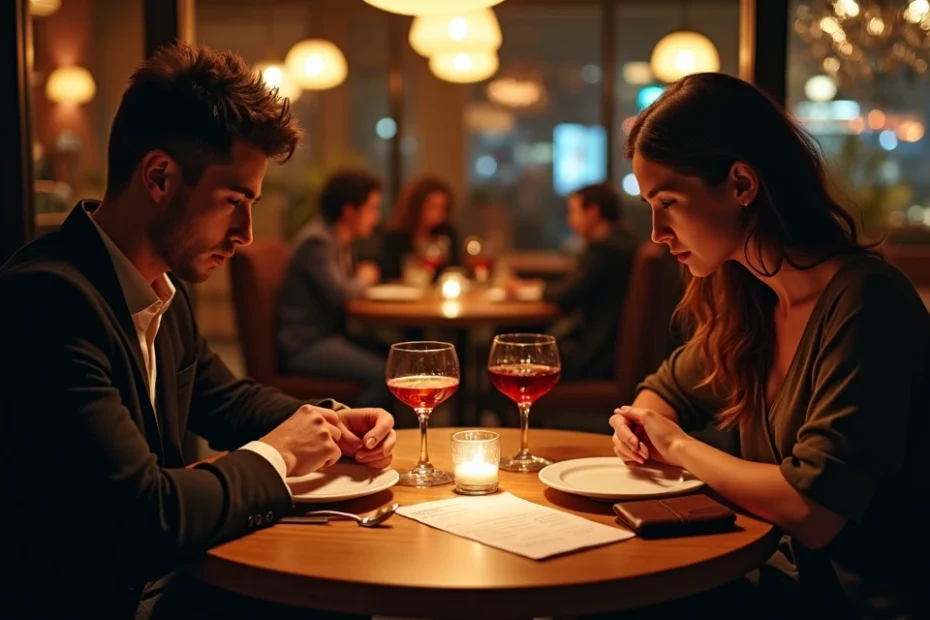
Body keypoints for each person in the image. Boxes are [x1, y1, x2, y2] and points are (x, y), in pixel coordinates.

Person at [0, 43, 395, 620]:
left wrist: (330, 423)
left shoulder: (162, 288)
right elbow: (144, 514)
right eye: (234, 200)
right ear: (159, 177)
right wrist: (278, 455)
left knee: (355, 581)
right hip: (101, 600)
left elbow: (225, 399)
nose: (247, 233)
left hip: (170, 578)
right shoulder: (49, 302)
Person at [609, 73, 929, 619]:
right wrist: (640, 426)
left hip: (863, 602)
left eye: (669, 202)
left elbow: (815, 509)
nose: (658, 231)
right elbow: (663, 389)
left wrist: (677, 447)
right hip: (784, 581)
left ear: (741, 184)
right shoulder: (752, 297)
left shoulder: (865, 301)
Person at [277, 169, 393, 409]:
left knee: (394, 355)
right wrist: (364, 278)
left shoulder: (339, 240)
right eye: (371, 208)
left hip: (329, 336)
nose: (376, 217)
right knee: (387, 373)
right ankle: (357, 437)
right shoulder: (317, 242)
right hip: (306, 344)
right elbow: (342, 296)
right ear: (349, 211)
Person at [508, 183, 641, 380]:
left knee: (507, 357)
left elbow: (566, 295)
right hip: (612, 353)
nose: (570, 221)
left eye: (573, 212)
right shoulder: (628, 242)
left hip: (594, 359)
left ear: (593, 212)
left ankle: (511, 409)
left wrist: (523, 291)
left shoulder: (605, 250)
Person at [378, 174, 460, 282]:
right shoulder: (395, 236)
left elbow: (454, 271)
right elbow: (388, 274)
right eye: (432, 206)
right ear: (416, 206)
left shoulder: (447, 233)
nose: (437, 214)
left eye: (442, 208)